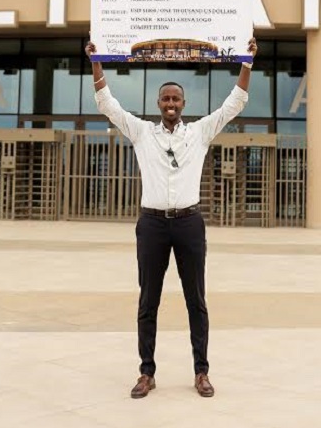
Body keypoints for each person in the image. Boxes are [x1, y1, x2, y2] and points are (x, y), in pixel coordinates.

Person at [85, 38, 258, 399]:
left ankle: (201, 372)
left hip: (189, 224)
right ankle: (146, 373)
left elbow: (234, 104)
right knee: (148, 301)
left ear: (183, 104)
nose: (170, 104)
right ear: (158, 103)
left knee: (196, 300)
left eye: (176, 99)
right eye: (165, 99)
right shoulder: (142, 133)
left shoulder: (199, 133)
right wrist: (96, 61)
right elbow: (107, 104)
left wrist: (247, 62)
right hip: (151, 226)